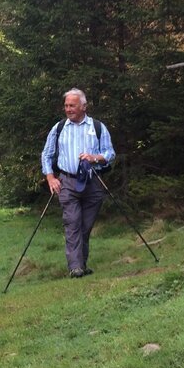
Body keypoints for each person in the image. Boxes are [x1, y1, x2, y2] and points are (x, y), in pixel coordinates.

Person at [40, 88, 115, 278]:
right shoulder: (59, 128)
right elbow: (46, 155)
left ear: (83, 106)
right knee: (72, 224)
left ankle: (81, 264)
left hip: (93, 182)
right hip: (67, 182)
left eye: (72, 105)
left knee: (85, 227)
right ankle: (76, 268)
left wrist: (94, 158)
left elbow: (110, 154)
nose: (68, 109)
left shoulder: (97, 127)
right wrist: (50, 177)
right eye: (66, 105)